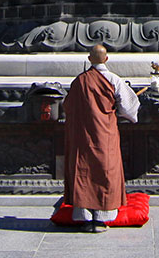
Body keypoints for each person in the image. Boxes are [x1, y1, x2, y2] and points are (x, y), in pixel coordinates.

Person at [61, 44, 140, 232]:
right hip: (106, 133)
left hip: (83, 135)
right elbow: (129, 110)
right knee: (106, 170)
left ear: (89, 59)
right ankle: (102, 218)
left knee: (84, 171)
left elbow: (68, 106)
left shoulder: (79, 81)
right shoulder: (114, 80)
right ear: (106, 59)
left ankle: (86, 217)